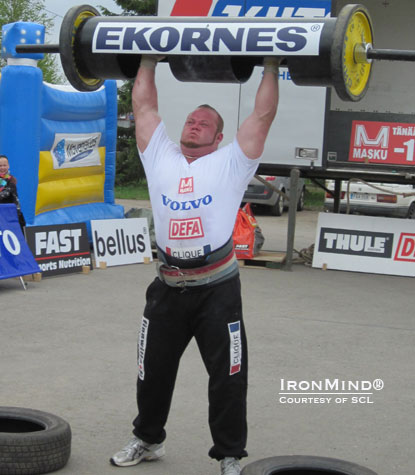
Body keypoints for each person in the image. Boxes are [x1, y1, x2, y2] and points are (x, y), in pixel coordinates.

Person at [110, 55, 280, 475]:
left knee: (228, 375)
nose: (195, 124)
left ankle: (229, 456)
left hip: (217, 290)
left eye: (205, 122)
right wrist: (147, 59)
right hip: (167, 285)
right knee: (152, 370)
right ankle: (148, 439)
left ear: (220, 136)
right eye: (191, 119)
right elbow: (145, 108)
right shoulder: (159, 157)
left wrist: (272, 64)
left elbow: (262, 114)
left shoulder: (232, 162)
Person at [0, 154, 26, 230]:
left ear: (8, 166)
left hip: (11, 216)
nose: (2, 168)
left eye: (4, 165)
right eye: (0, 165)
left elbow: (4, 194)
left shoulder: (11, 180)